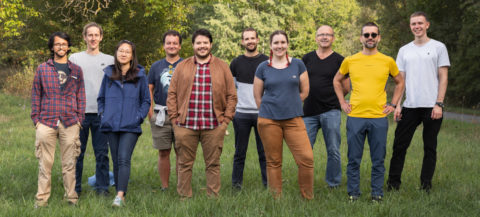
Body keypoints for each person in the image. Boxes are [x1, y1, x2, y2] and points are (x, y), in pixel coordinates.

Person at [333, 22, 404, 202]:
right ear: (361, 38)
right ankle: (353, 194)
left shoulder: (387, 60)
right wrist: (342, 102)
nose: (370, 38)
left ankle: (377, 194)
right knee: (354, 159)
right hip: (355, 116)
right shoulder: (350, 60)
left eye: (373, 35)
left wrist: (393, 105)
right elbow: (336, 80)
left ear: (379, 37)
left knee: (378, 159)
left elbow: (400, 82)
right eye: (366, 35)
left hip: (379, 118)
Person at [167, 29, 237, 198]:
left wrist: (225, 122)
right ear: (193, 45)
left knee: (213, 164)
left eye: (205, 43)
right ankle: (185, 198)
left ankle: (213, 197)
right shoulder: (182, 66)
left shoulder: (222, 66)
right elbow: (172, 94)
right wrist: (175, 121)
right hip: (185, 125)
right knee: (184, 164)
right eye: (198, 43)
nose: (202, 46)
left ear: (211, 45)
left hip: (214, 125)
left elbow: (232, 95)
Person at [387, 11, 450, 193]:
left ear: (427, 25)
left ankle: (425, 187)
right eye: (414, 23)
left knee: (430, 148)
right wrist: (397, 104)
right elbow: (401, 81)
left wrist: (439, 103)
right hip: (410, 106)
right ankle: (392, 186)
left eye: (420, 23)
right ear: (410, 26)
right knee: (399, 146)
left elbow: (443, 77)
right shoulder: (404, 50)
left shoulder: (439, 47)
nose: (417, 26)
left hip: (432, 106)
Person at [253, 30, 314, 199]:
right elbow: (257, 96)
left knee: (306, 159)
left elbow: (305, 91)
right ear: (271, 46)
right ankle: (275, 198)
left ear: (287, 44)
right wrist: (269, 109)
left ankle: (307, 197)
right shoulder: (263, 67)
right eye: (276, 43)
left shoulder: (298, 64)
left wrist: (290, 104)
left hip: (294, 119)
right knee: (273, 161)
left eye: (282, 42)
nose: (279, 46)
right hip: (269, 120)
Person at [31, 32, 85, 208]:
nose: (61, 47)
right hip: (46, 121)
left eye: (64, 44)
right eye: (57, 44)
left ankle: (71, 198)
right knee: (45, 164)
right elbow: (36, 95)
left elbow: (81, 96)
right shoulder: (42, 69)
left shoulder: (76, 70)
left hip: (70, 122)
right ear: (52, 47)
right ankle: (42, 200)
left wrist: (79, 119)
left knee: (69, 163)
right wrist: (36, 120)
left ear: (68, 47)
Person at [97, 40, 151, 207]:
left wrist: (138, 117)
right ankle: (120, 192)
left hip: (130, 125)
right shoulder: (108, 75)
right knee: (115, 159)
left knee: (123, 158)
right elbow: (101, 98)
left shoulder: (140, 76)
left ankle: (120, 195)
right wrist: (103, 114)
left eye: (127, 51)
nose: (123, 54)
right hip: (111, 124)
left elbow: (146, 101)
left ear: (132, 55)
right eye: (121, 51)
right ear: (116, 53)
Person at [302, 25, 349, 189]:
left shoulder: (340, 60)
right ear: (316, 38)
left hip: (331, 110)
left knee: (334, 150)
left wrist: (335, 97)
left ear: (333, 38)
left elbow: (346, 86)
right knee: (305, 150)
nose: (324, 37)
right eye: (321, 35)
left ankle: (333, 183)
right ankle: (306, 183)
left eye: (327, 35)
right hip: (308, 112)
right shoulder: (306, 58)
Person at [69, 22, 114, 196]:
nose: (93, 38)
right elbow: (69, 86)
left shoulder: (110, 60)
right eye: (90, 35)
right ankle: (75, 189)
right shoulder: (75, 59)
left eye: (96, 35)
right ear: (84, 37)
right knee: (77, 154)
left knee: (102, 154)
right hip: (79, 113)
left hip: (102, 114)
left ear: (101, 37)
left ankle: (102, 188)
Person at [230, 27, 268, 190]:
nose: (250, 41)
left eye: (253, 38)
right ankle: (236, 185)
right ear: (242, 42)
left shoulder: (267, 61)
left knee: (265, 153)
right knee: (240, 153)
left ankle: (269, 185)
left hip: (263, 114)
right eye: (247, 38)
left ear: (258, 40)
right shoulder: (236, 63)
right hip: (241, 115)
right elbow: (231, 89)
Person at [147, 30, 183, 191]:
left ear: (180, 46)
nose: (172, 46)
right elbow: (149, 90)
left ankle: (181, 185)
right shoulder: (156, 66)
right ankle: (165, 186)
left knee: (182, 153)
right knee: (163, 152)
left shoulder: (187, 64)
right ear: (164, 46)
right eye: (168, 43)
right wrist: (150, 114)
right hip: (161, 115)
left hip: (183, 116)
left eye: (175, 43)